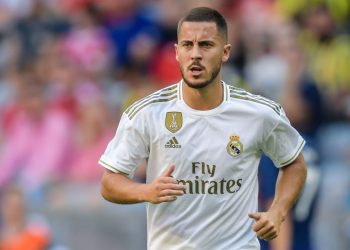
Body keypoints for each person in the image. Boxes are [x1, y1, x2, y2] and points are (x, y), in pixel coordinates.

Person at [99, 7, 307, 249]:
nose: (195, 54)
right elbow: (109, 182)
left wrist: (278, 211)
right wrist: (145, 191)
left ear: (225, 52)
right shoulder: (147, 112)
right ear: (177, 53)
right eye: (187, 45)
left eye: (206, 45)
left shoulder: (258, 112)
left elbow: (294, 163)